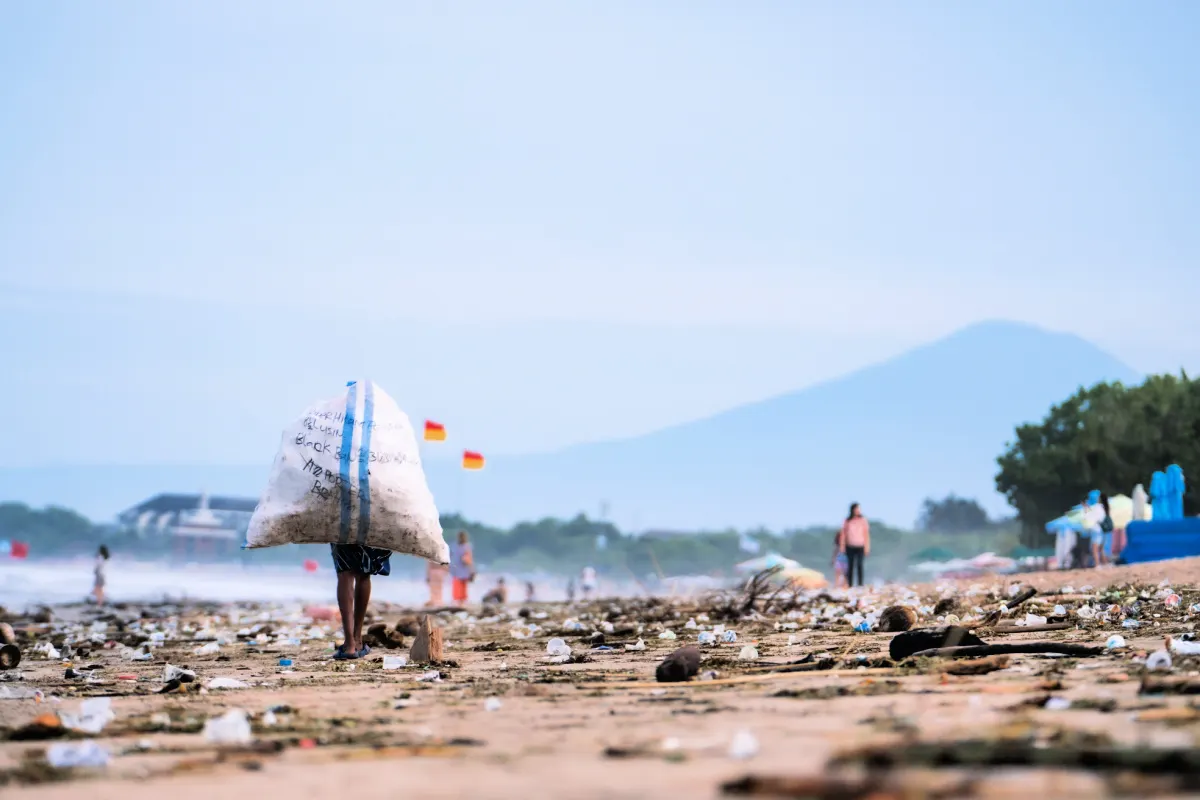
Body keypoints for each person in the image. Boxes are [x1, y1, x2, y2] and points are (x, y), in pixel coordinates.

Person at [330, 542, 392, 660]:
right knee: (364, 571)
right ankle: (357, 640)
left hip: (344, 525)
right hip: (369, 525)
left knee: (344, 573)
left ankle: (349, 644)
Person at [837, 503, 870, 587]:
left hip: (860, 545)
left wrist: (867, 547)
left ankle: (860, 584)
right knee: (850, 566)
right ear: (852, 510)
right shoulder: (847, 521)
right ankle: (850, 584)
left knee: (859, 565)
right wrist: (842, 546)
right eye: (857, 509)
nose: (858, 511)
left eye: (859, 509)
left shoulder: (863, 520)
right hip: (850, 545)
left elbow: (866, 534)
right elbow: (843, 534)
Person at [449, 530, 475, 606]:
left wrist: (471, 570)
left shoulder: (463, 546)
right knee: (459, 586)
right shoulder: (459, 546)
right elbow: (469, 559)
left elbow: (469, 559)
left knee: (461, 586)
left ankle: (461, 601)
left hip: (462, 569)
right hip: (459, 569)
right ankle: (459, 601)